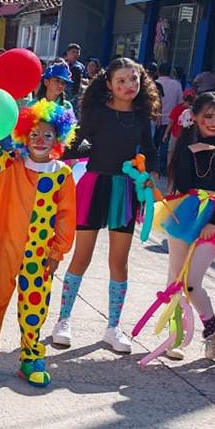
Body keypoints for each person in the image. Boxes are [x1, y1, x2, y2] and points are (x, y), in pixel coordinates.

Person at [51, 57, 160, 353]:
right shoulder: (97, 112)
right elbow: (73, 144)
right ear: (109, 85)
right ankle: (63, 320)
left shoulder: (141, 116)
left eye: (133, 79)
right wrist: (56, 151)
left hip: (125, 191)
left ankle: (113, 327)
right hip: (94, 186)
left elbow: (151, 152)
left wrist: (149, 174)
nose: (129, 85)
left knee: (119, 261)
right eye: (121, 80)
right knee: (82, 256)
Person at [0, 100, 77, 387]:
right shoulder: (10, 163)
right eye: (34, 134)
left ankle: (30, 356)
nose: (40, 140)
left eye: (47, 135)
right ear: (24, 136)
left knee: (35, 303)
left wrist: (58, 251)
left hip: (39, 251)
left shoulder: (61, 174)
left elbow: (66, 216)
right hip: (5, 243)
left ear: (58, 138)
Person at [160, 91, 215, 361]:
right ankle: (174, 338)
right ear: (194, 117)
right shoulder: (189, 141)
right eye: (207, 116)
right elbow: (183, 184)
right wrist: (189, 145)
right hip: (186, 211)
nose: (214, 121)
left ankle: (212, 328)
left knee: (191, 282)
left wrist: (214, 222)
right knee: (175, 279)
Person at [154, 63, 184, 175]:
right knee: (165, 144)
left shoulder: (154, 83)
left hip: (154, 118)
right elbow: (180, 102)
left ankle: (149, 165)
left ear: (158, 72)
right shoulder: (177, 85)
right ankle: (162, 167)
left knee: (152, 143)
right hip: (170, 119)